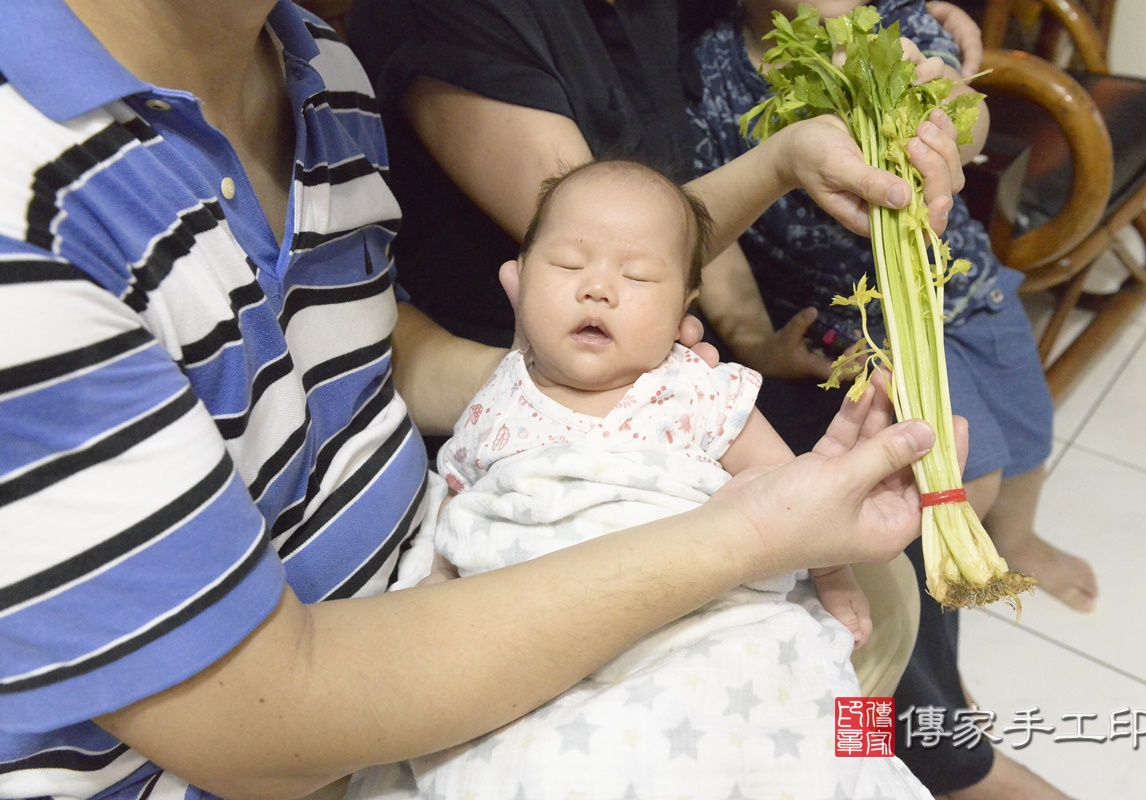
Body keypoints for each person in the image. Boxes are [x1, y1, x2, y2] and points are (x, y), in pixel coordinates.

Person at [0, 1, 959, 798]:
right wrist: (750, 535)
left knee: (870, 623)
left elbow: (356, 338)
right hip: (294, 742)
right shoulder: (28, 206)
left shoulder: (311, 63)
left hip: (442, 595)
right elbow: (258, 722)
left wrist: (580, 393)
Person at [347, 158, 929, 800]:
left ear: (684, 307)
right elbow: (461, 509)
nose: (597, 289)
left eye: (637, 275)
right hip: (531, 641)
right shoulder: (494, 401)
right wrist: (434, 584)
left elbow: (798, 493)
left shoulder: (697, 389)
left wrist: (835, 578)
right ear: (518, 278)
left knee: (786, 714)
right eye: (568, 264)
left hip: (696, 623)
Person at [687, 0, 1090, 796]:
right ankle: (940, 648)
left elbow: (969, 126)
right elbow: (715, 229)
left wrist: (949, 110)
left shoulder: (902, 23)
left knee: (1026, 416)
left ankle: (1020, 537)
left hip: (963, 278)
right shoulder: (709, 68)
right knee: (960, 470)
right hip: (865, 309)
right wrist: (750, 334)